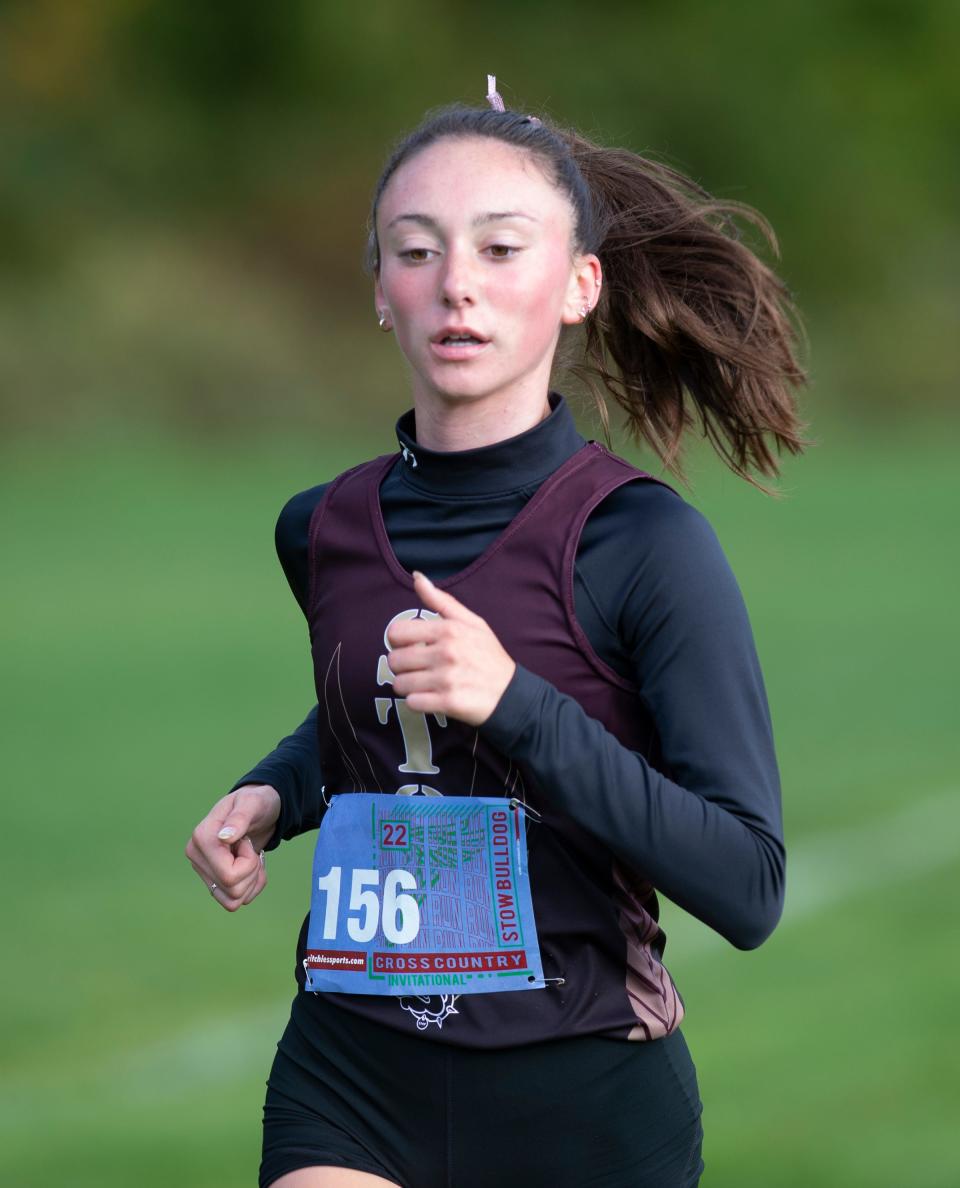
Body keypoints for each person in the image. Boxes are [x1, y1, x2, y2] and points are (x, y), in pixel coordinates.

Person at [185, 76, 810, 1188]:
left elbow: (749, 885)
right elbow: (381, 721)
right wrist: (280, 791)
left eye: (500, 249)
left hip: (581, 1096)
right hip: (351, 1067)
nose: (455, 285)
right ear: (380, 290)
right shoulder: (319, 528)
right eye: (416, 251)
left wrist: (517, 703)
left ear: (579, 285)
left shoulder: (646, 544)